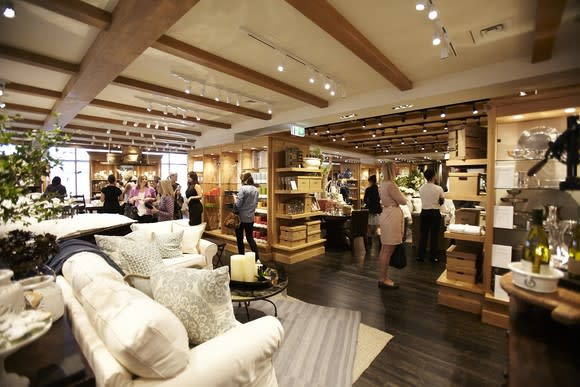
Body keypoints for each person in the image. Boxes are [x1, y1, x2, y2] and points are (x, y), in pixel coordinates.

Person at [377, 161, 408, 289]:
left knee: (385, 249)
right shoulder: (391, 184)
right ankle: (383, 279)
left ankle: (382, 277)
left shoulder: (383, 184)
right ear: (391, 169)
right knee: (388, 250)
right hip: (392, 216)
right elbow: (403, 201)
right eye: (396, 166)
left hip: (386, 214)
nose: (398, 167)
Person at [417, 168, 445, 263]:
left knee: (423, 235)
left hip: (424, 213)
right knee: (434, 236)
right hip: (435, 213)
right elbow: (441, 201)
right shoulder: (439, 188)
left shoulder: (421, 188)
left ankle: (421, 256)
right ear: (434, 176)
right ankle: (433, 257)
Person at [233, 172, 260, 262]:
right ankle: (257, 258)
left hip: (240, 218)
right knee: (250, 238)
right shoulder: (256, 190)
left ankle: (241, 257)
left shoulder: (243, 189)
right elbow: (256, 204)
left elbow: (238, 204)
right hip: (250, 217)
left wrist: (234, 198)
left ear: (244, 180)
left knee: (240, 239)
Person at [363, 175, 382, 247]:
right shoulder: (379, 189)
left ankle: (369, 241)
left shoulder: (368, 189)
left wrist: (369, 203)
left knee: (369, 226)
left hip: (370, 209)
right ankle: (380, 241)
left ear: (370, 181)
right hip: (378, 209)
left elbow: (365, 200)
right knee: (378, 226)